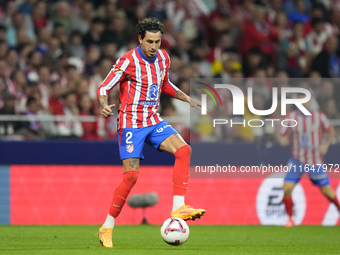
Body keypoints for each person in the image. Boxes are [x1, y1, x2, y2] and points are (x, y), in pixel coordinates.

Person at [96, 17, 206, 248]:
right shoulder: (127, 61)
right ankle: (107, 226)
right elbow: (104, 86)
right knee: (131, 177)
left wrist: (188, 99)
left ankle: (178, 206)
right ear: (140, 39)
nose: (154, 46)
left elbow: (165, 84)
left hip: (153, 120)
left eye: (157, 41)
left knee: (184, 150)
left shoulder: (164, 57)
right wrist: (103, 104)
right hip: (131, 124)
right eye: (149, 42)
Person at [277, 93, 340, 227]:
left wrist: (326, 145)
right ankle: (291, 218)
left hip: (314, 160)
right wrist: (281, 139)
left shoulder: (319, 116)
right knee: (287, 188)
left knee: (328, 192)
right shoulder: (291, 117)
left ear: (310, 101)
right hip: (297, 159)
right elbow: (281, 133)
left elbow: (331, 131)